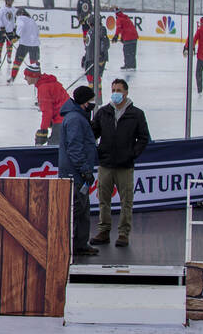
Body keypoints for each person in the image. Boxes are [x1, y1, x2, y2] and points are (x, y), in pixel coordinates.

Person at [90, 79, 151, 248]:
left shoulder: (136, 114)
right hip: (106, 164)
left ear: (126, 92)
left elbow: (144, 138)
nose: (115, 92)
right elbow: (93, 133)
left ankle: (123, 233)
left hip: (125, 165)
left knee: (126, 201)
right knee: (103, 199)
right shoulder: (103, 112)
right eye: (113, 89)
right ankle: (104, 231)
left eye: (118, 90)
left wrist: (132, 154)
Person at [58, 86, 99, 257]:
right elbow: (75, 148)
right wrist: (84, 169)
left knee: (82, 209)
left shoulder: (78, 117)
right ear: (84, 102)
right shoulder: (75, 119)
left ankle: (80, 243)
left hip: (78, 173)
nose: (92, 104)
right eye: (90, 101)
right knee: (76, 210)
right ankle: (72, 245)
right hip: (74, 174)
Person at [23, 62, 69, 146]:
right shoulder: (49, 83)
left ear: (33, 76)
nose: (25, 78)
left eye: (26, 76)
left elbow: (47, 112)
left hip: (62, 120)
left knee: (54, 147)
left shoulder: (43, 88)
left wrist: (43, 130)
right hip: (67, 118)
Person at [7, 8, 40, 83]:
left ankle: (12, 77)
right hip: (35, 44)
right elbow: (37, 32)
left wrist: (17, 37)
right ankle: (37, 78)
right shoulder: (32, 20)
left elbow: (21, 26)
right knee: (34, 63)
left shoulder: (20, 18)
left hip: (24, 45)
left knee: (17, 63)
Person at [81, 17, 110, 85]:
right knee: (90, 78)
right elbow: (88, 46)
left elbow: (105, 43)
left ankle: (96, 94)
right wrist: (85, 58)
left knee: (95, 79)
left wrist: (101, 55)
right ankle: (92, 93)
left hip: (96, 58)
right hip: (90, 58)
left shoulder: (100, 29)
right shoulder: (90, 30)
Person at [0, 0, 17, 66]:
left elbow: (14, 19)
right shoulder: (2, 9)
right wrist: (1, 27)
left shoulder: (14, 9)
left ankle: (9, 57)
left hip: (10, 30)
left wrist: (14, 27)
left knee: (10, 44)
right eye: (9, 1)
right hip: (2, 30)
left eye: (11, 1)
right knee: (0, 43)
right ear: (6, 1)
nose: (10, 2)